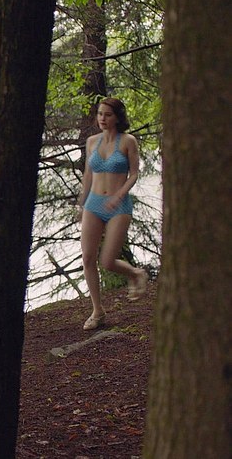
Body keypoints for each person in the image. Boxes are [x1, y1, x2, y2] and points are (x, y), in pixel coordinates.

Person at [77, 97, 148, 330]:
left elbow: (134, 174)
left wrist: (119, 195)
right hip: (94, 203)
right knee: (88, 257)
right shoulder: (92, 142)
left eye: (107, 115)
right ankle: (97, 311)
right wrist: (81, 203)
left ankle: (135, 273)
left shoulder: (128, 141)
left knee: (107, 261)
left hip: (119, 205)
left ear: (117, 117)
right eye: (100, 114)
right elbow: (88, 175)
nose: (102, 118)